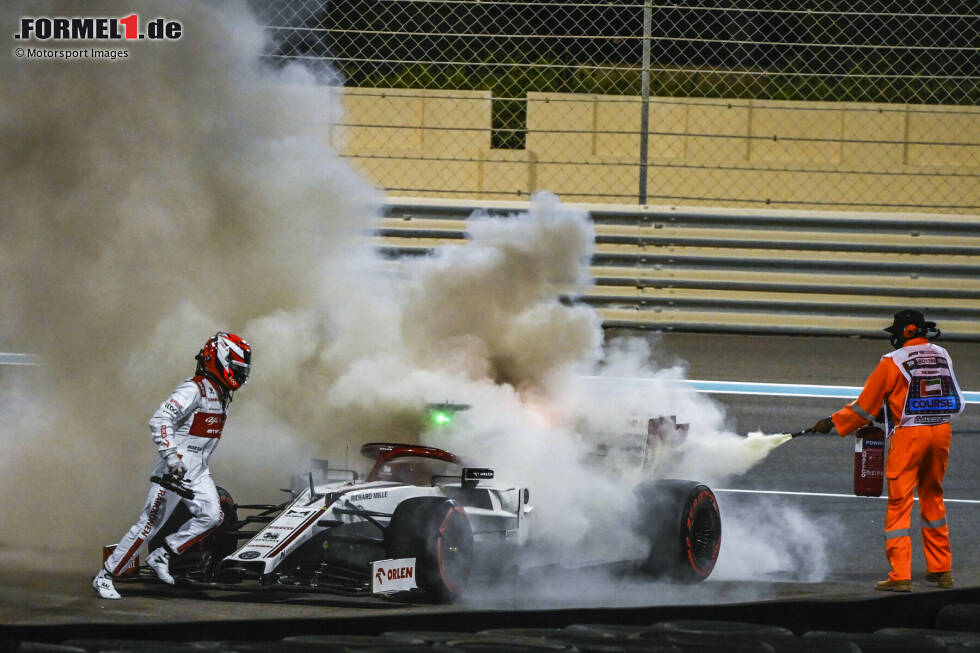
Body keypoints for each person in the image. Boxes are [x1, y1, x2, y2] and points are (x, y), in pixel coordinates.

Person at [811, 310, 964, 592]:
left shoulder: (892, 361)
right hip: (941, 432)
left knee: (900, 503)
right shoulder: (942, 354)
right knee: (933, 496)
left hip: (909, 436)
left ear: (905, 332)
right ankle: (942, 571)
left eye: (895, 332)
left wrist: (832, 422)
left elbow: (863, 408)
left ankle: (900, 576)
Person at [93, 332, 252, 599]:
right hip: (172, 472)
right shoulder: (195, 389)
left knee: (213, 516)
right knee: (148, 526)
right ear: (221, 360)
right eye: (236, 369)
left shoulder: (220, 396)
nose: (240, 375)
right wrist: (172, 458)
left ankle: (163, 554)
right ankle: (105, 576)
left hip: (199, 472)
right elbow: (160, 419)